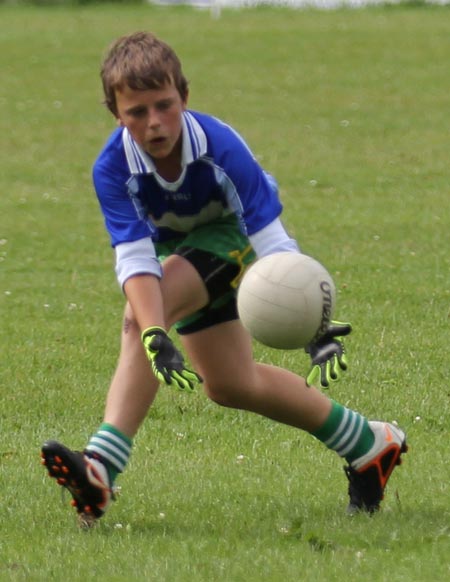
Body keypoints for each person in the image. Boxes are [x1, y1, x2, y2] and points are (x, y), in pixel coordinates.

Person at [41, 31, 407, 527]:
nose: (154, 123)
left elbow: (274, 247)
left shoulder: (220, 147)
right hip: (180, 251)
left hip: (230, 237)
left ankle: (100, 467)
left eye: (165, 105)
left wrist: (315, 332)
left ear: (185, 97)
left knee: (140, 317)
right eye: (137, 112)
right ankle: (370, 445)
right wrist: (155, 333)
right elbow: (134, 260)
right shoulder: (112, 168)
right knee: (230, 384)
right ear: (115, 113)